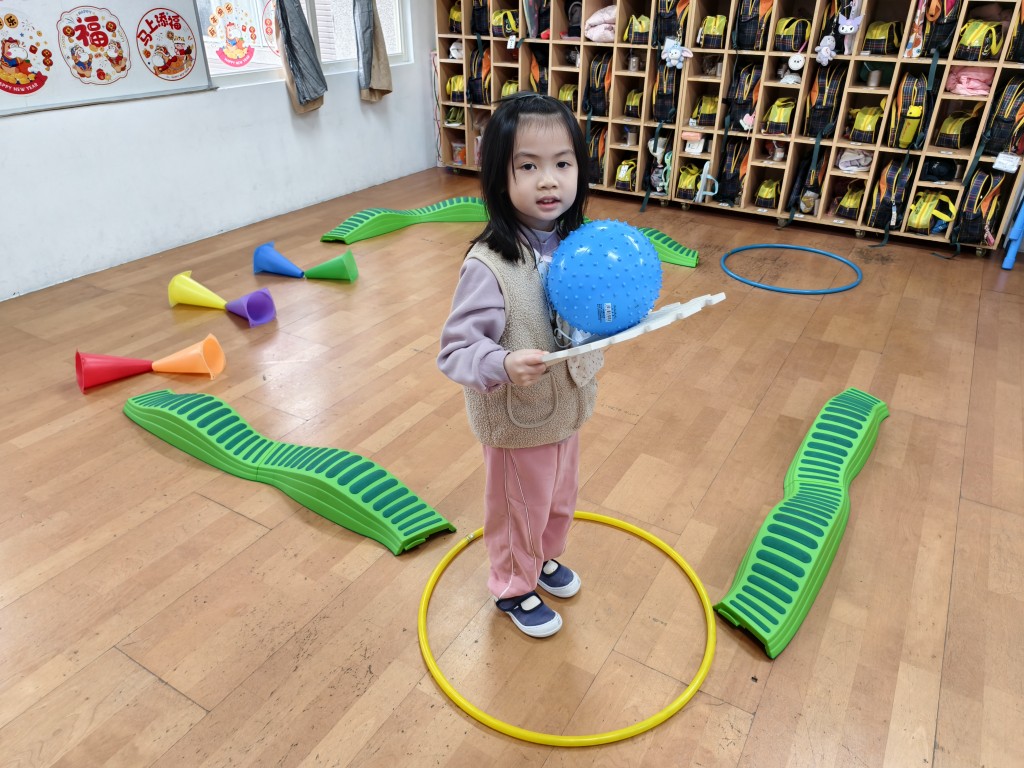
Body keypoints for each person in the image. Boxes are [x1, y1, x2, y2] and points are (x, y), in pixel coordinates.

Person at [437, 93, 604, 638]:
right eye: (528, 166)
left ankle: (543, 558)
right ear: (497, 177)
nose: (548, 180)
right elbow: (456, 350)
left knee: (559, 497)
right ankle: (512, 585)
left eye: (562, 163)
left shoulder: (578, 247)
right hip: (518, 419)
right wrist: (503, 362)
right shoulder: (489, 266)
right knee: (519, 508)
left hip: (565, 409)